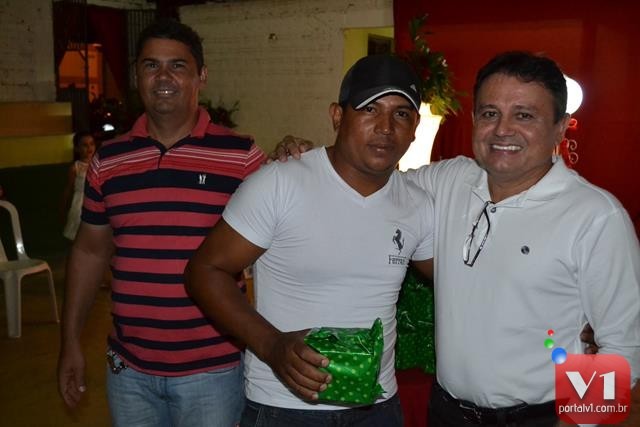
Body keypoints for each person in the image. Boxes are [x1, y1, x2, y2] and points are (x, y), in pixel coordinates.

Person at [276, 51, 640, 426]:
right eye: (490, 113)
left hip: (540, 417)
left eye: (524, 115)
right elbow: (368, 180)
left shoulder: (595, 216)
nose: (502, 130)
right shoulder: (447, 181)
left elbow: (624, 346)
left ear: (560, 127)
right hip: (447, 412)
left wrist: (580, 423)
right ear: (474, 120)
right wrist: (311, 161)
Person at [185, 54, 435, 427]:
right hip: (284, 407)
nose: (385, 127)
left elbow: (457, 281)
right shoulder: (281, 183)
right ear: (337, 115)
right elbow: (204, 271)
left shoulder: (417, 204)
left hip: (378, 408)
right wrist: (272, 345)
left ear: (415, 128)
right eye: (370, 109)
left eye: (401, 114)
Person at [57, 19, 265, 427]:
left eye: (178, 66)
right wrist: (70, 342)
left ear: (201, 76)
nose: (164, 77)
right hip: (129, 372)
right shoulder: (108, 160)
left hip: (213, 372)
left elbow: (283, 248)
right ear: (137, 75)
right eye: (151, 65)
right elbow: (90, 252)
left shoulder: (241, 157)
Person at [61, 131, 97, 240]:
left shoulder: (99, 164)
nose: (89, 148)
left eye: (91, 144)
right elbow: (68, 189)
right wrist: (63, 207)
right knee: (79, 234)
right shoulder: (75, 168)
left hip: (96, 202)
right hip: (80, 204)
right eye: (85, 145)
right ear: (77, 148)